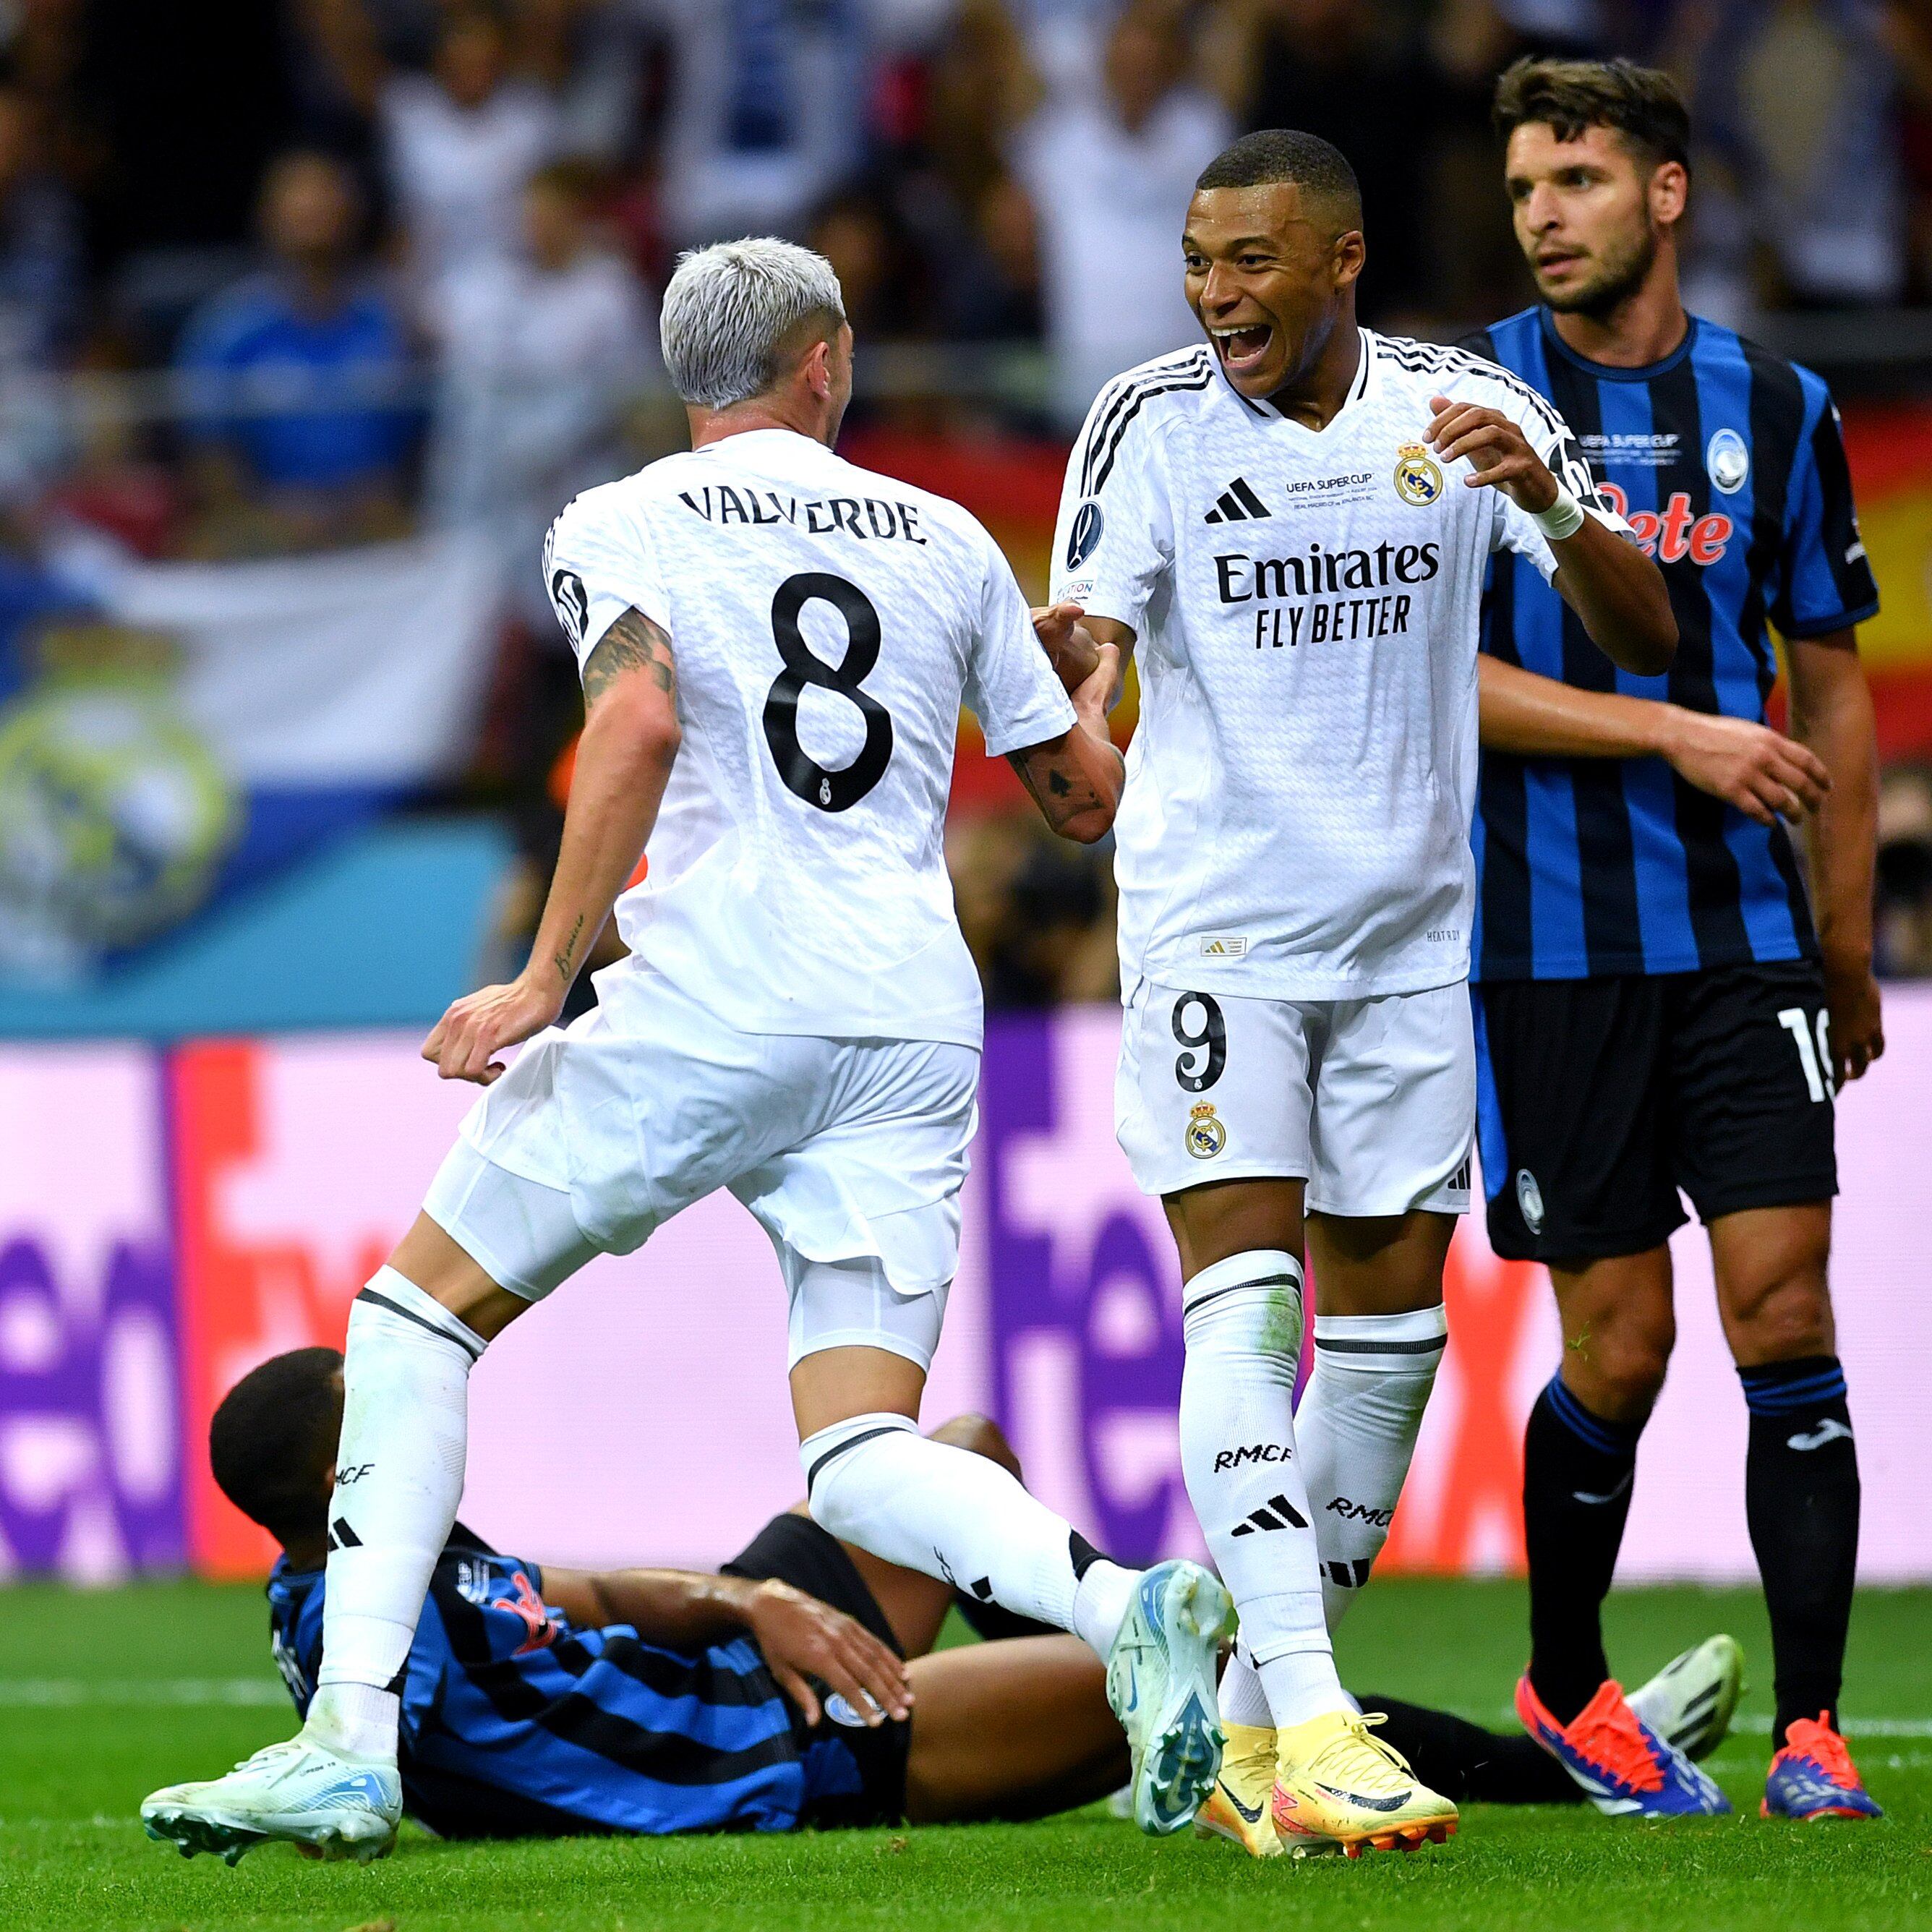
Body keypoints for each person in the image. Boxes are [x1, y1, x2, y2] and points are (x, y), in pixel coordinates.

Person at [140, 236, 1232, 1868]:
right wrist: (1085, 685)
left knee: (413, 1320)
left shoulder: (619, 518)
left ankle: (349, 1747)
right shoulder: (946, 539)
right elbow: (1082, 800)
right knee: (859, 1450)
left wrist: (545, 974)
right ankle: (1119, 1602)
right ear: (826, 361)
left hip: (719, 990)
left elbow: (638, 719)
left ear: (686, 374)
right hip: (908, 1014)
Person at [1044, 127, 1675, 1858]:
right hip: (1220, 934)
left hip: (1406, 941)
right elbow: (1095, 633)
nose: (1213, 293)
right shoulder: (1149, 420)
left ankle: (1251, 1732)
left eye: (1247, 261)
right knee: (1247, 1306)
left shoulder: (1462, 406)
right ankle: (1322, 1716)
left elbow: (1646, 636)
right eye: (1196, 260)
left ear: (1340, 259)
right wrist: (1076, 692)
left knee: (1392, 1343)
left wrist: (1551, 502)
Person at [153, 1348, 1745, 1851]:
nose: (424, 1410)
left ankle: (1137, 1731)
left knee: (953, 1456)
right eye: (386, 1406)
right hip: (771, 1756)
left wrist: (742, 1598)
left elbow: (585, 1589)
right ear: (345, 1470)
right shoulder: (349, 1637)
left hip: (733, 1668)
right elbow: (383, 1769)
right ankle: (1572, 1767)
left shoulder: (402, 1557)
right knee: (1226, 1674)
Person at [1463, 56, 1884, 1824]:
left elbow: (1831, 687)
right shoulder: (1463, 402)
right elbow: (1442, 688)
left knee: (1782, 1302)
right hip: (1547, 945)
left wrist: (1842, 942)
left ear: (1663, 192)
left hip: (1741, 941)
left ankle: (1810, 1731)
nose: (1541, 216)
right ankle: (1564, 1683)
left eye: (1572, 180)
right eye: (1521, 190)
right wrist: (1671, 735)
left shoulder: (1776, 406)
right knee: (1618, 1348)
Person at [175, 150, 416, 552]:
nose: (313, 213)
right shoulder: (228, 329)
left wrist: (383, 501)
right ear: (268, 216)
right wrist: (262, 515)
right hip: (260, 529)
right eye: (299, 201)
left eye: (325, 199)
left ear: (352, 215)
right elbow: (206, 451)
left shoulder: (393, 323)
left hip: (374, 523)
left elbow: (422, 440)